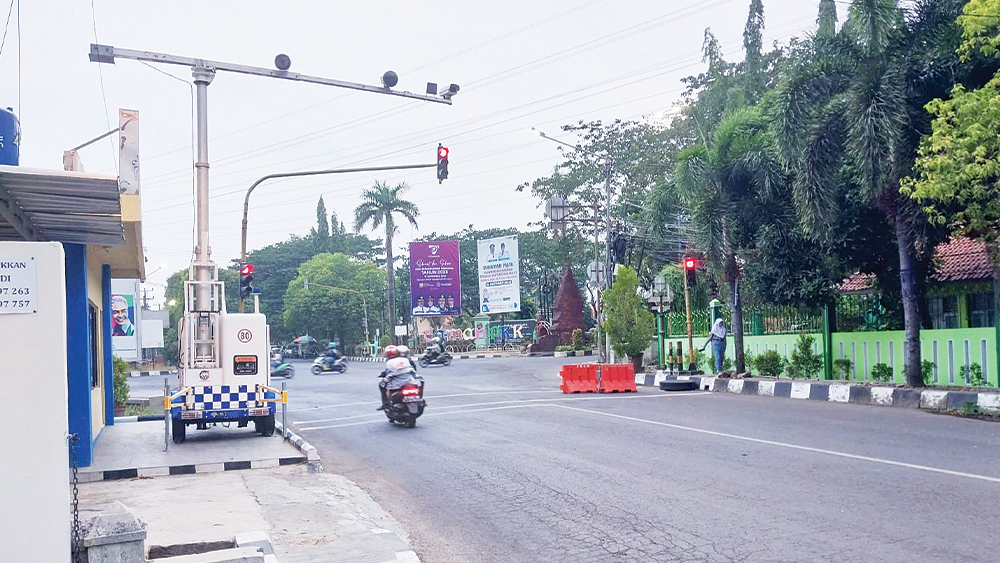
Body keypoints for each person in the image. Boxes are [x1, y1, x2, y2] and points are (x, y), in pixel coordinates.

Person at [377, 345, 417, 410]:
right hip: (410, 381)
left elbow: (388, 373)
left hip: (397, 384)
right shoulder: (406, 360)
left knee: (382, 385)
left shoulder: (390, 362)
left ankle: (386, 404)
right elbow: (414, 369)